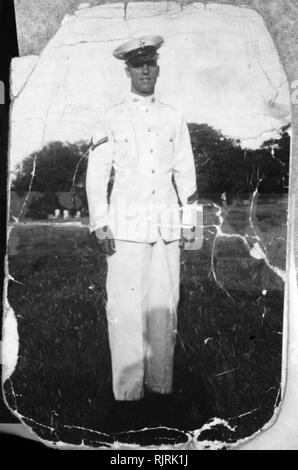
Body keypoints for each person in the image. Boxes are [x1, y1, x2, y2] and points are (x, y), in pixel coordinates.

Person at [86, 35, 198, 424]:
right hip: (126, 227)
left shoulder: (174, 116)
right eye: (138, 65)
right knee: (124, 309)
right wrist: (100, 224)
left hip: (167, 227)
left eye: (150, 63)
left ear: (158, 67)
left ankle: (162, 390)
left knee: (164, 308)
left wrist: (192, 226)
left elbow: (186, 171)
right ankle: (126, 396)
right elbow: (97, 175)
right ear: (127, 70)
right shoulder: (111, 116)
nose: (146, 70)